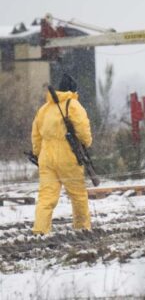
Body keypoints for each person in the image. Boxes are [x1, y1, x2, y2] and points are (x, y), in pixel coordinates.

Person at [32, 74, 92, 235]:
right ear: (73, 89)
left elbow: (36, 136)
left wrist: (38, 154)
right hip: (68, 155)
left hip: (46, 156)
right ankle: (82, 228)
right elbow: (83, 131)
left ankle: (40, 230)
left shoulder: (44, 109)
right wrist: (86, 144)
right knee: (78, 195)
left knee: (46, 196)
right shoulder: (73, 105)